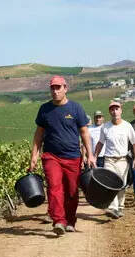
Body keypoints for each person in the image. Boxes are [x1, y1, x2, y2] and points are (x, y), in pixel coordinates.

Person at [29, 75, 95, 236]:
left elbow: (85, 132)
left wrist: (90, 155)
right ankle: (58, 220)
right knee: (54, 187)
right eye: (52, 88)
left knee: (72, 191)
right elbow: (38, 134)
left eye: (58, 87)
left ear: (65, 88)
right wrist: (34, 156)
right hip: (52, 156)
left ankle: (70, 220)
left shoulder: (76, 108)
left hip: (73, 156)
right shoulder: (44, 109)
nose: (55, 91)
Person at [95, 101, 135, 219]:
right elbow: (100, 143)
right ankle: (113, 207)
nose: (115, 111)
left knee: (121, 185)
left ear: (121, 110)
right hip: (109, 160)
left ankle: (120, 206)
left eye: (117, 109)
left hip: (122, 160)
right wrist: (94, 157)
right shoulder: (105, 127)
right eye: (112, 109)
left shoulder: (127, 126)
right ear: (110, 112)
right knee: (110, 184)